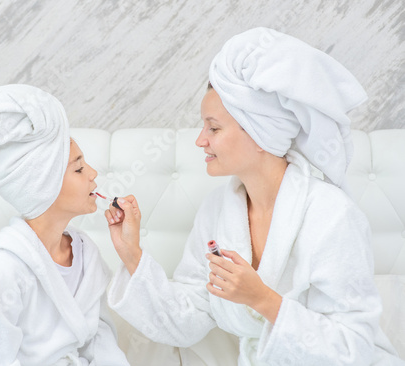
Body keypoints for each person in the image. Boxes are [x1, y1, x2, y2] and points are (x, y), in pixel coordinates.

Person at [104, 28, 403, 365]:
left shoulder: (332, 215)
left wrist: (262, 299)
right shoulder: (217, 210)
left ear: (261, 134)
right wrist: (131, 254)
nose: (200, 140)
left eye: (213, 128)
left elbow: (354, 348)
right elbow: (187, 322)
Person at [0, 85, 129, 366]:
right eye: (79, 168)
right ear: (44, 185)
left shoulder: (85, 253)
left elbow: (100, 338)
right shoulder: (2, 269)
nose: (94, 173)